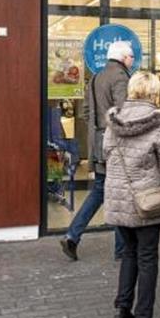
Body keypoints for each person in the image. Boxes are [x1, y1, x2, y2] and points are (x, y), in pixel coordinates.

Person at [101, 72, 160, 318]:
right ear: (153, 93)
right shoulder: (158, 122)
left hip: (119, 197)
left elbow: (106, 154)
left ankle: (122, 309)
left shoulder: (113, 120)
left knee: (129, 254)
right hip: (146, 199)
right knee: (147, 258)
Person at [61, 40, 134, 261]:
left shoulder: (95, 77)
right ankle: (122, 250)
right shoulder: (120, 77)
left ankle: (72, 235)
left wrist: (98, 132)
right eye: (130, 56)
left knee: (101, 191)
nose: (132, 60)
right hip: (115, 145)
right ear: (122, 57)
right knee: (120, 193)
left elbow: (85, 112)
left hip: (99, 143)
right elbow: (124, 113)